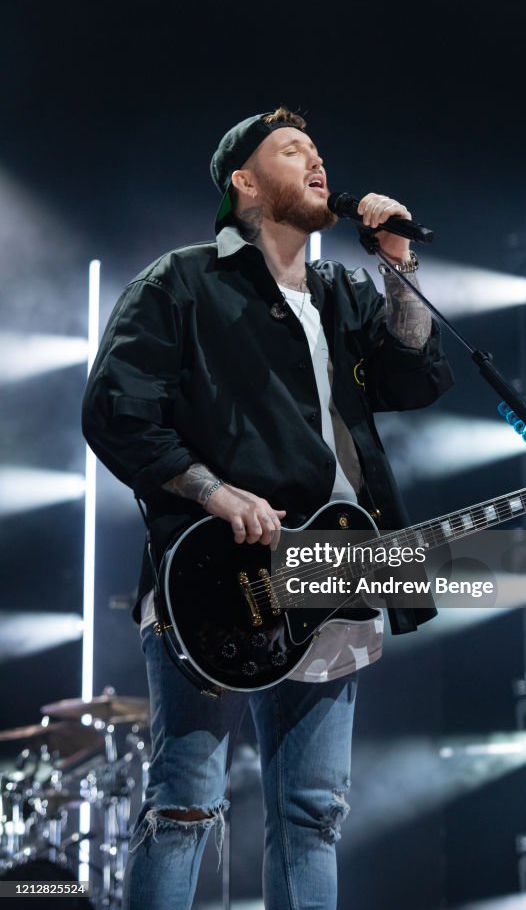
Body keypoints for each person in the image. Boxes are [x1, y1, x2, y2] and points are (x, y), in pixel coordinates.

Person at [82, 107, 454, 910]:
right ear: (242, 182)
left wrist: (398, 263)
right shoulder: (181, 282)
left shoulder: (341, 292)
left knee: (313, 815)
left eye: (320, 149)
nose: (317, 161)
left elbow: (414, 376)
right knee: (184, 804)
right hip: (215, 568)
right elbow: (116, 411)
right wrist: (213, 492)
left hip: (337, 566)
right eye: (293, 150)